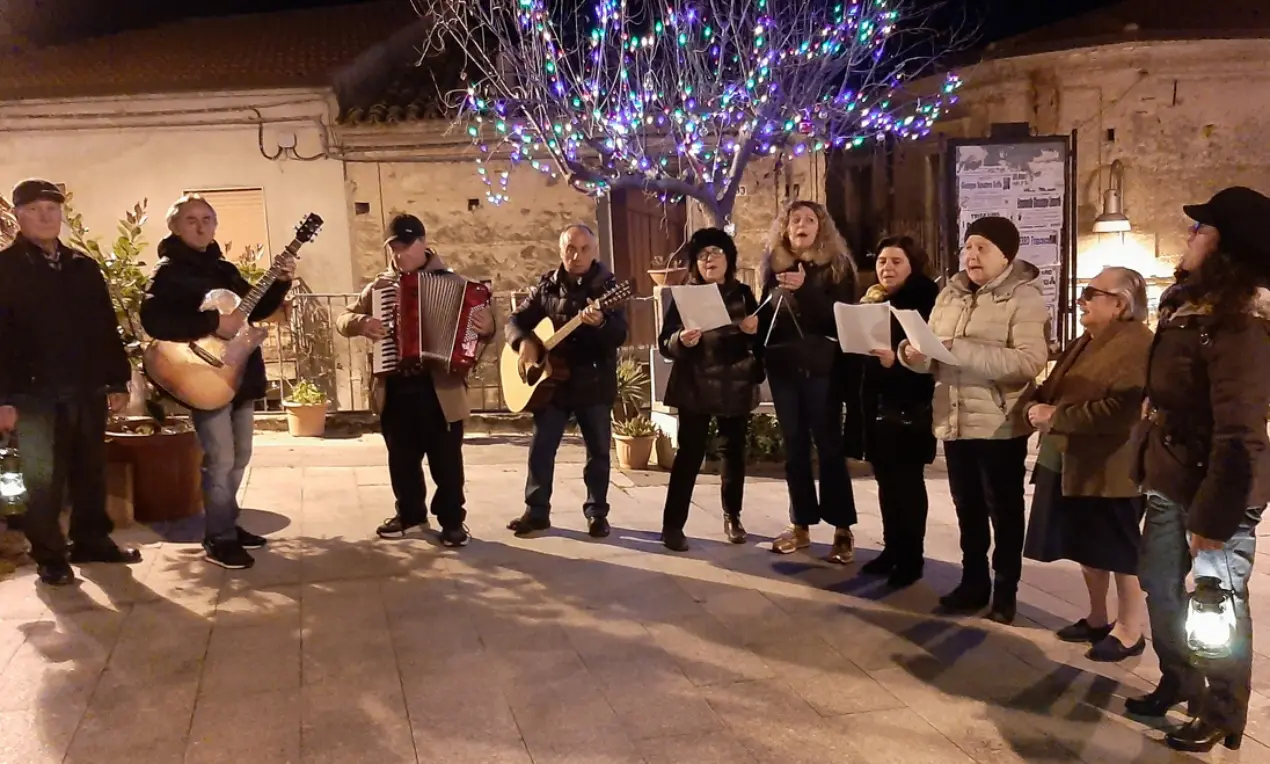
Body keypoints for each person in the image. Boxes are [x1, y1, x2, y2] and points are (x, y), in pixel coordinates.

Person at [1129, 187, 1270, 753]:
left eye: (1201, 230)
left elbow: (1241, 431)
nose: (1189, 236)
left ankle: (1221, 711)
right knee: (1160, 585)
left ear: (1226, 247)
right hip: (1171, 474)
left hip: (1219, 487)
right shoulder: (1189, 305)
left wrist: (1215, 515)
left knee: (1215, 601)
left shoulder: (1241, 324)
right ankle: (1179, 681)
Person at [900, 216, 1048, 624]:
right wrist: (913, 355)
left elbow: (1029, 361)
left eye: (982, 247)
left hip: (1000, 422)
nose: (971, 255)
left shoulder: (1024, 297)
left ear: (1006, 255)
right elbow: (933, 349)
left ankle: (1006, 589)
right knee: (966, 506)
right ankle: (973, 581)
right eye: (968, 247)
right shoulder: (949, 294)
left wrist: (958, 349)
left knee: (1003, 508)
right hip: (955, 415)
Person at [139, 193, 294, 570]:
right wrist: (212, 324)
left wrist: (281, 281)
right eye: (191, 219)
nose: (201, 225)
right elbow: (155, 321)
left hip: (238, 373)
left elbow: (253, 308)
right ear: (174, 226)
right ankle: (219, 537)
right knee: (220, 458)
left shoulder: (223, 269)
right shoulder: (168, 273)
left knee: (240, 456)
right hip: (202, 376)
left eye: (207, 218)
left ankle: (227, 521)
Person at [0, 178, 141, 586]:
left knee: (89, 471)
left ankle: (92, 540)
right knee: (44, 479)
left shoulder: (83, 266)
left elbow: (104, 326)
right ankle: (50, 555)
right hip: (33, 394)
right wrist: (4, 397)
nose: (46, 216)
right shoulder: (6, 269)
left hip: (85, 388)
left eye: (52, 208)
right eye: (35, 209)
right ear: (18, 215)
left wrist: (116, 379)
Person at [335, 213, 495, 547]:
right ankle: (410, 513)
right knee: (401, 459)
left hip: (440, 389)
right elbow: (343, 318)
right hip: (394, 386)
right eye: (393, 246)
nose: (397, 253)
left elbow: (483, 331)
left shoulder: (454, 284)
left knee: (446, 462)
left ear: (422, 243)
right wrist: (361, 322)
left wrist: (487, 327)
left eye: (404, 246)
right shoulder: (380, 287)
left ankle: (452, 521)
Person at [1022, 266, 1153, 662]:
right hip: (1070, 460)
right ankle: (1098, 617)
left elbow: (1121, 410)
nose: (1081, 299)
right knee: (1086, 545)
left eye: (1091, 293)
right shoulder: (1090, 339)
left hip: (1110, 468)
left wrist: (1054, 416)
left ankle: (1130, 630)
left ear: (1120, 304)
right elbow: (1058, 389)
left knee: (1118, 550)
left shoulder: (1136, 343)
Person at [505, 223, 628, 538]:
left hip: (594, 381)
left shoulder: (607, 287)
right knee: (541, 448)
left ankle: (596, 513)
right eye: (571, 248)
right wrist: (525, 344)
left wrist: (600, 322)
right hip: (553, 385)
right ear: (561, 250)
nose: (577, 255)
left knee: (598, 452)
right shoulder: (547, 286)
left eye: (585, 249)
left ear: (594, 251)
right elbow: (515, 321)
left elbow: (620, 334)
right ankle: (536, 511)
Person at [759, 200, 858, 563]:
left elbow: (839, 319)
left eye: (810, 220)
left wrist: (804, 289)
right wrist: (758, 318)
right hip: (783, 367)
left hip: (821, 369)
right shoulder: (773, 265)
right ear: (785, 229)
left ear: (821, 228)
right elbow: (769, 310)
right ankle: (800, 524)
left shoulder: (837, 267)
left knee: (829, 447)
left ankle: (842, 528)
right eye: (794, 219)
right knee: (795, 447)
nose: (802, 225)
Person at [657, 228, 763, 552]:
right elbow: (665, 342)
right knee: (689, 454)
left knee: (733, 453)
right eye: (702, 255)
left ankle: (733, 515)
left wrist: (753, 330)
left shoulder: (743, 294)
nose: (709, 259)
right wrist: (681, 340)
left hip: (734, 381)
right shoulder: (685, 295)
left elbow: (761, 340)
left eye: (716, 252)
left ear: (729, 259)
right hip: (695, 384)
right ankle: (672, 525)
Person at [844, 236, 938, 587]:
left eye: (896, 261)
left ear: (913, 265)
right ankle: (893, 549)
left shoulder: (924, 301)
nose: (887, 267)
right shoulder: (874, 300)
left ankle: (911, 558)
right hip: (878, 403)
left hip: (911, 405)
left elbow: (930, 357)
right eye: (883, 261)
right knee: (886, 480)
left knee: (907, 483)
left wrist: (894, 360)